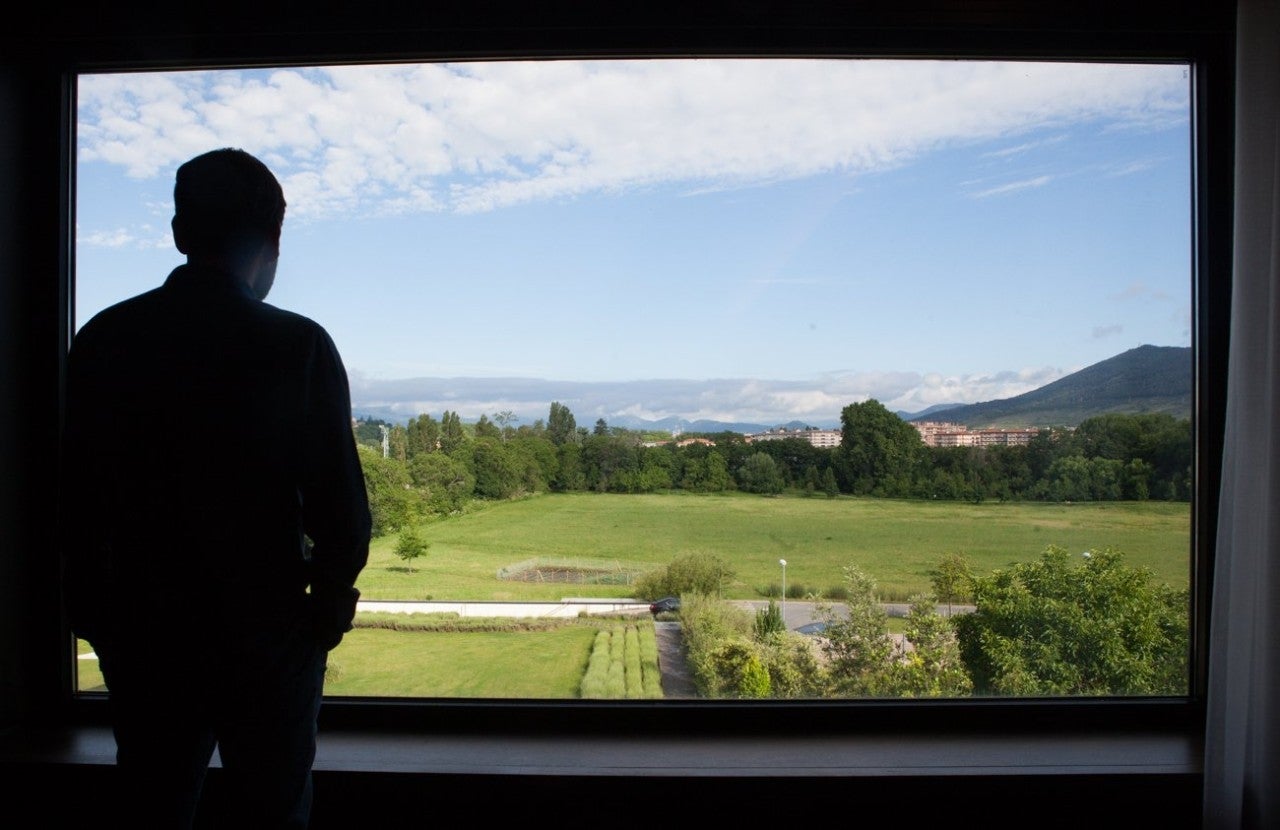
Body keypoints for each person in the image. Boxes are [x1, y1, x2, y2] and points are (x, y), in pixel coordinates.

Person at [61, 148, 372, 828]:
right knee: (273, 807)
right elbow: (342, 513)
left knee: (153, 801)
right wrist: (324, 604)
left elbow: (69, 496)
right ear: (273, 239)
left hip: (142, 631)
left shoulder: (104, 340)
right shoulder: (296, 345)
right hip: (266, 630)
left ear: (179, 232)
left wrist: (93, 611)